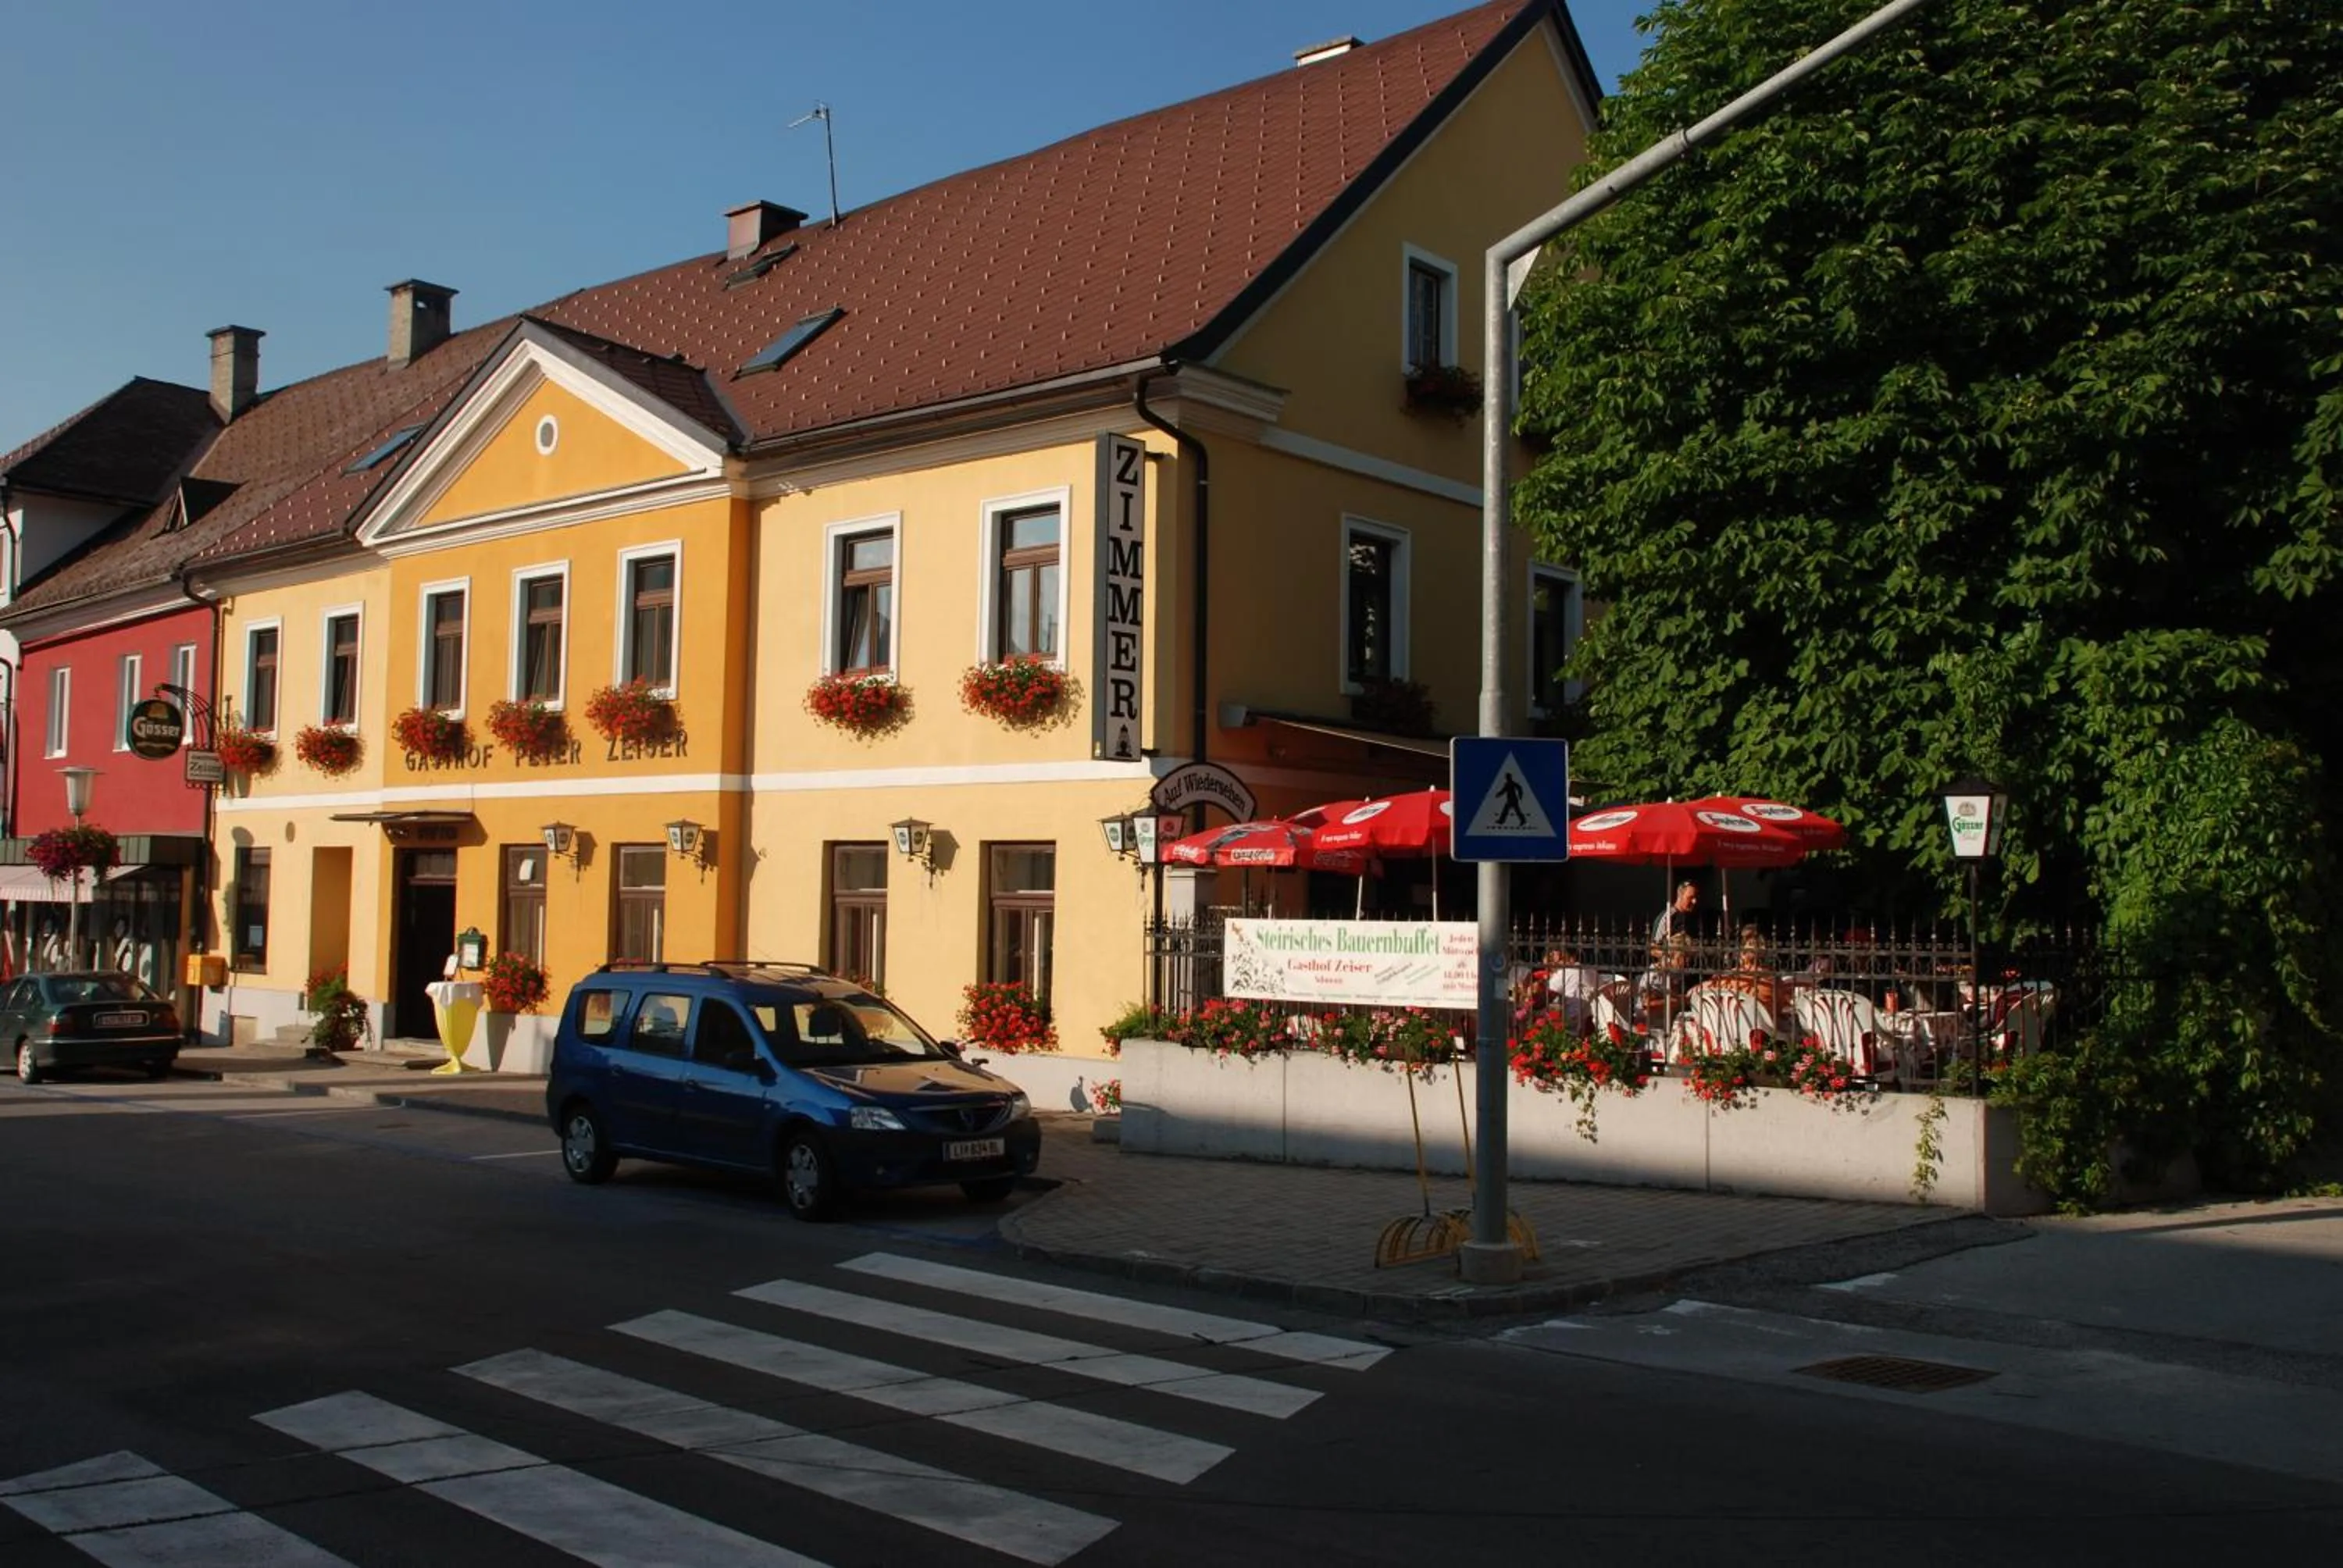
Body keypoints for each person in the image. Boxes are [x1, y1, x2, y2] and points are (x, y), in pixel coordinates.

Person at [1653, 880, 1699, 946]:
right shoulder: (1668, 916)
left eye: (1695, 897)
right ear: (1680, 896)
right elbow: (1653, 948)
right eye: (1690, 897)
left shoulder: (1693, 917)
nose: (1694, 901)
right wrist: (1673, 955)